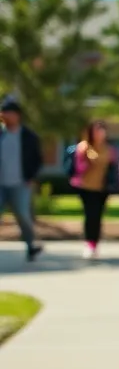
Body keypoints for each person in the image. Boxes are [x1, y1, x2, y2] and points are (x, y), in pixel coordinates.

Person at [0, 100, 44, 261]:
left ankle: (31, 245)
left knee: (22, 214)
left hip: (21, 183)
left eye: (8, 112)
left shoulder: (29, 136)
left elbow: (38, 160)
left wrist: (31, 178)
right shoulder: (1, 134)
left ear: (17, 115)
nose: (4, 116)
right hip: (1, 184)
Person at [72, 120, 115, 259]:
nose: (100, 133)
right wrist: (86, 160)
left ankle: (95, 243)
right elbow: (78, 168)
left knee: (98, 216)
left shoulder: (108, 149)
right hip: (86, 186)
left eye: (102, 130)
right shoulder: (84, 147)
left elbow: (112, 167)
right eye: (97, 130)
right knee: (90, 215)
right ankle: (89, 244)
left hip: (102, 187)